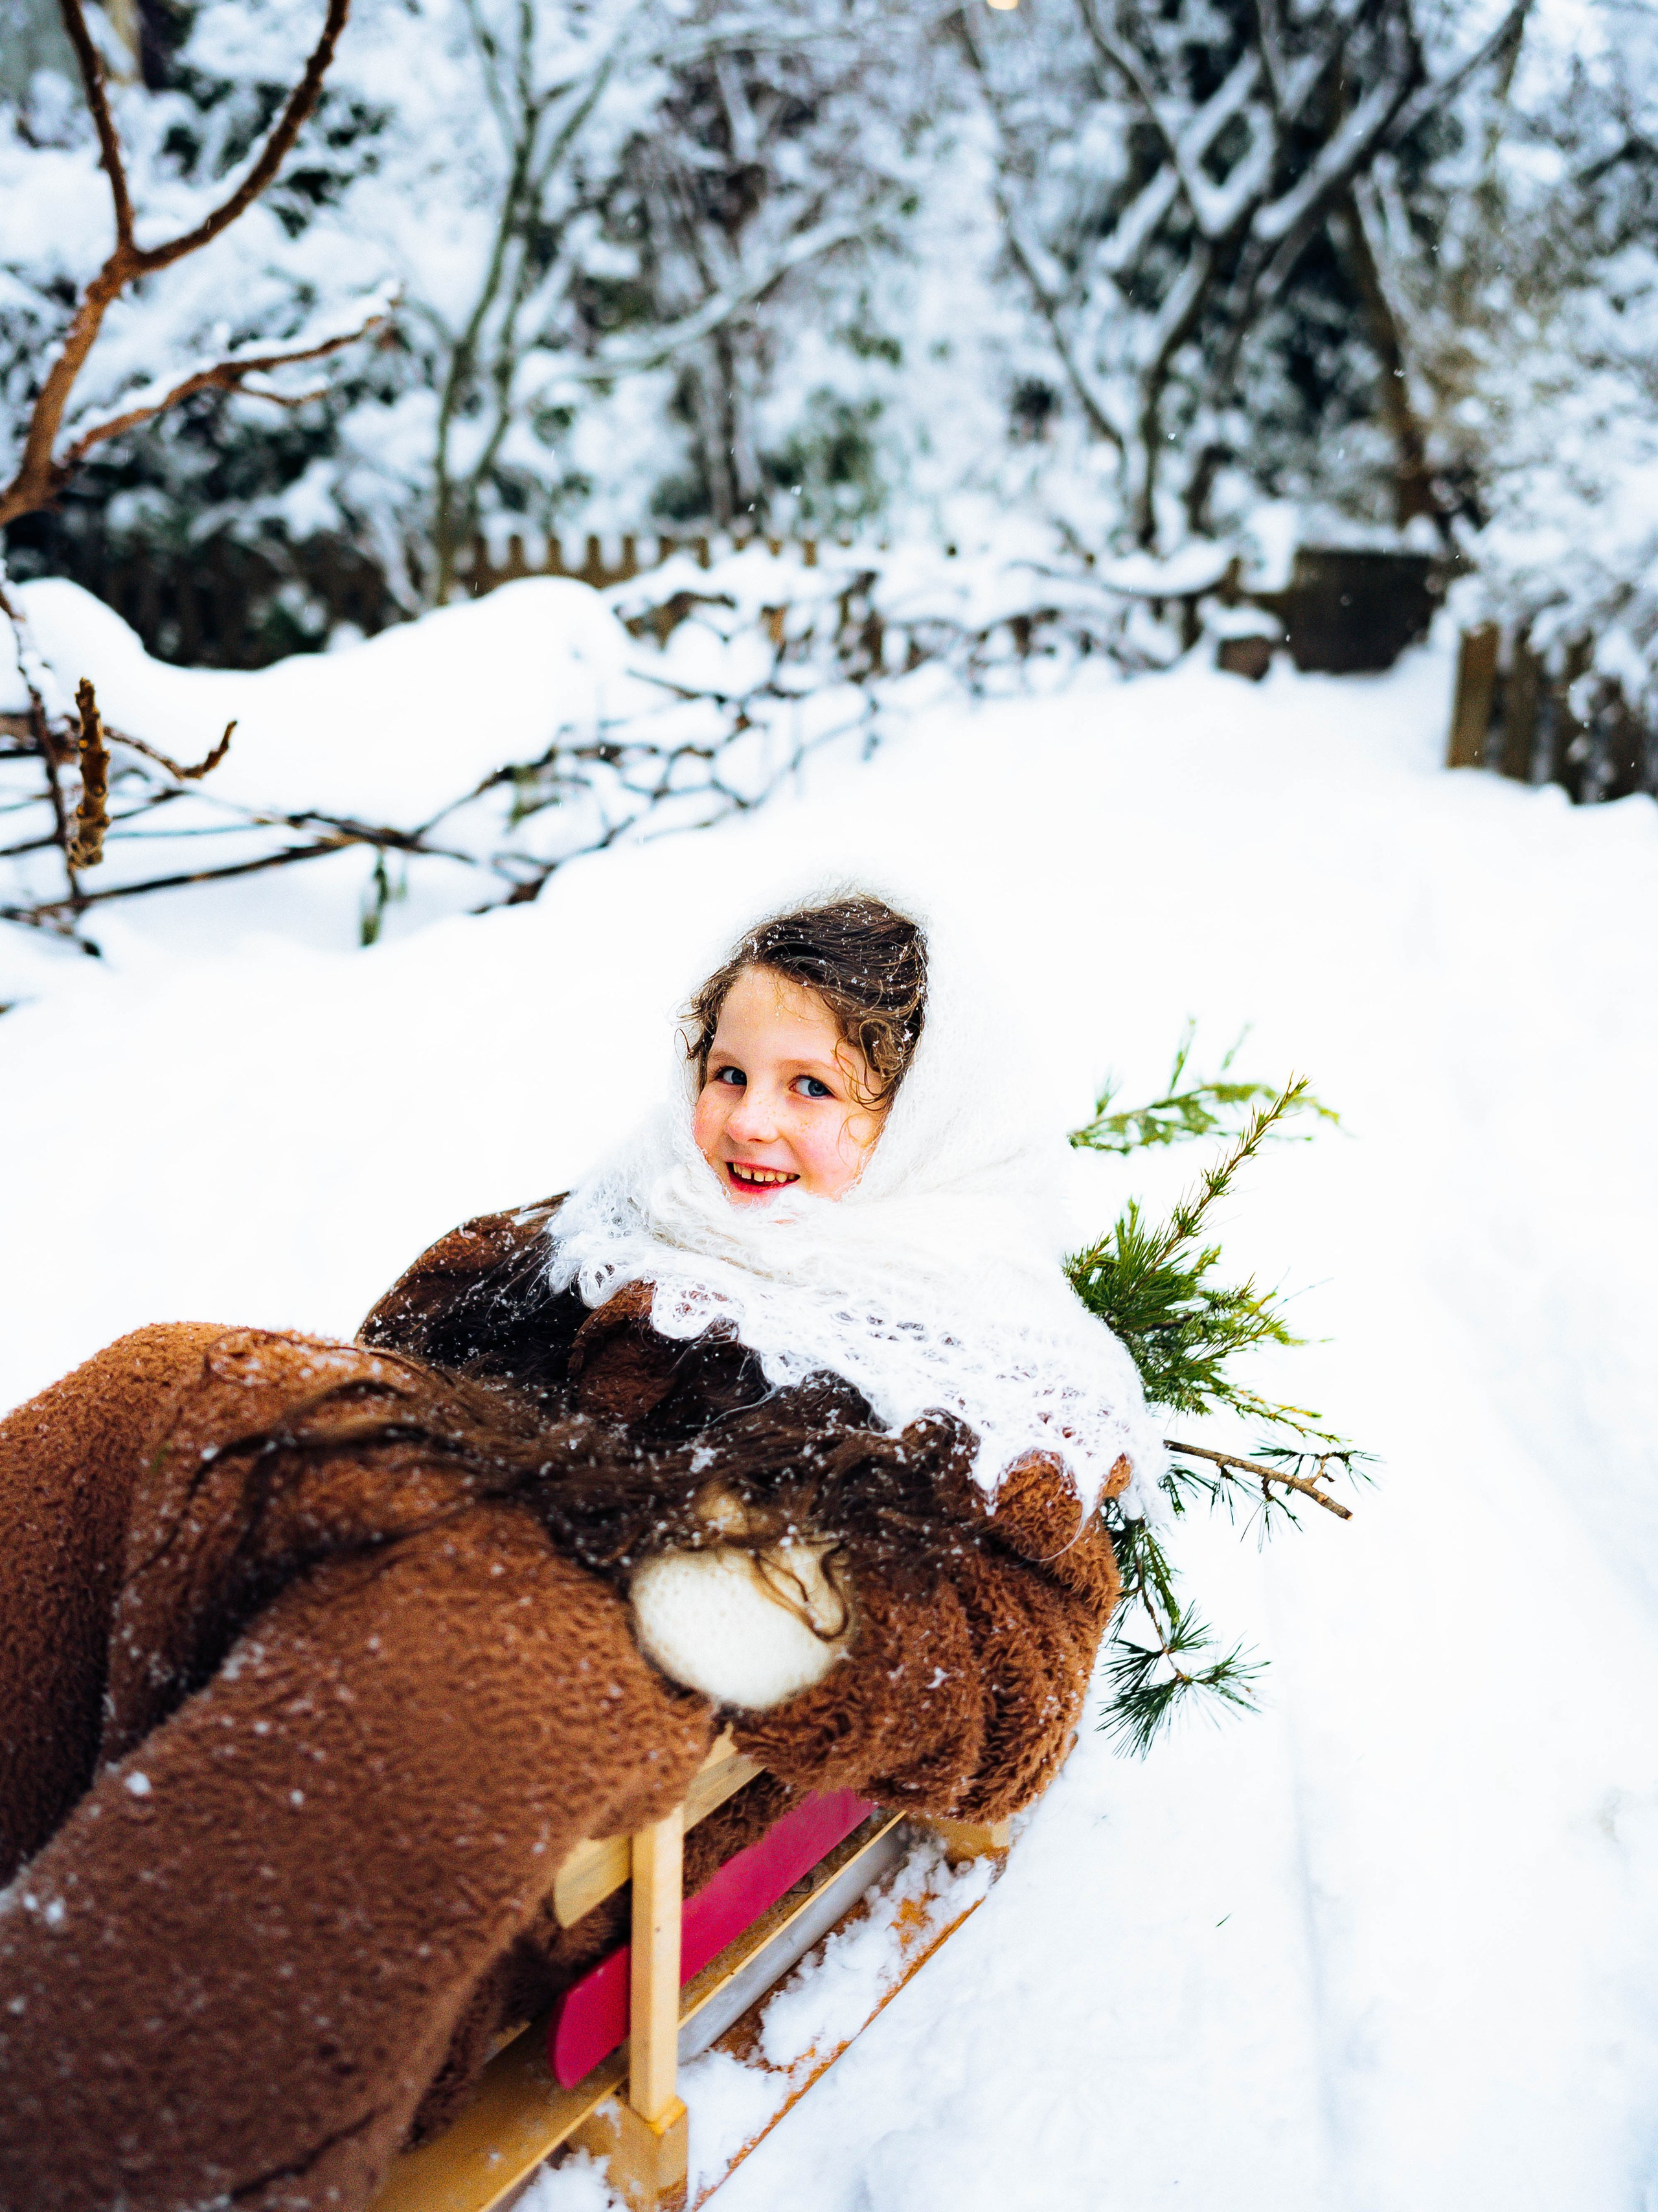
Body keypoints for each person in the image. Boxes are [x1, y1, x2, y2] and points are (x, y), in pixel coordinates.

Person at [0, 894, 1161, 2212]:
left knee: (443, 1651)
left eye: (814, 1088)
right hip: (467, 1538)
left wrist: (804, 1620)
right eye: (727, 1072)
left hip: (608, 1719)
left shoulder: (982, 1363)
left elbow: (1022, 1686)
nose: (748, 1122)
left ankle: (101, 2125)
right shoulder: (618, 1218)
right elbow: (410, 1357)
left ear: (920, 1126)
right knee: (169, 1384)